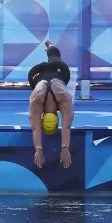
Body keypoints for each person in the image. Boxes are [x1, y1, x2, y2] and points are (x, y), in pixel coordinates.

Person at [27, 41, 74, 169]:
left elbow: (66, 127)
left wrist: (64, 148)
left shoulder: (64, 100)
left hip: (60, 73)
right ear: (42, 118)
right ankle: (50, 47)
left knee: (55, 57)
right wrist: (39, 149)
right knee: (54, 56)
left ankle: (51, 48)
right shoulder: (38, 101)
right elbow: (36, 129)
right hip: (36, 76)